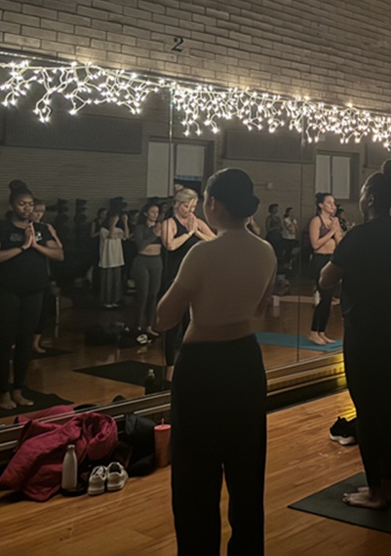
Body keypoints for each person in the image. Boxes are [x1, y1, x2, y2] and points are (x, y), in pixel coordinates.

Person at [156, 168, 276, 553]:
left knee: (195, 479)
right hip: (245, 362)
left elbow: (164, 318)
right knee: (246, 475)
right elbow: (258, 309)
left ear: (212, 204)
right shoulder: (266, 250)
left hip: (202, 368)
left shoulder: (202, 253)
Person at [320, 160, 391, 509]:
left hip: (366, 325)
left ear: (370, 198)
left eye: (361, 193)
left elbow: (326, 279)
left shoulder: (358, 236)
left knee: (368, 407)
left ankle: (377, 489)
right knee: (384, 403)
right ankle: (383, 485)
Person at [0, 180, 63, 410]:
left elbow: (58, 255)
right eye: (22, 204)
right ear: (12, 205)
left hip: (34, 290)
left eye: (30, 204)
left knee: (25, 340)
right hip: (6, 291)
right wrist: (21, 248)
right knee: (5, 339)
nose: (27, 208)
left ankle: (18, 389)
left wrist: (35, 245)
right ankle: (2, 392)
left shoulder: (40, 229)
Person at [161, 188, 216, 383]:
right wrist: (189, 233)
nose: (190, 210)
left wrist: (197, 233)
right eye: (186, 206)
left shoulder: (197, 222)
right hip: (174, 279)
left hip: (195, 279)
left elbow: (215, 240)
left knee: (190, 323)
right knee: (172, 325)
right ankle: (170, 367)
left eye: (193, 207)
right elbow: (170, 245)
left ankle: (188, 363)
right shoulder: (169, 223)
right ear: (177, 205)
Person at [308, 192, 344, 345]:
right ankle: (313, 331)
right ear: (321, 205)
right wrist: (330, 232)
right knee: (324, 297)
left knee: (329, 299)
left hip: (331, 259)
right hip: (319, 259)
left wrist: (336, 229)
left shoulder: (334, 221)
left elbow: (340, 242)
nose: (332, 206)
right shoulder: (316, 221)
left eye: (333, 203)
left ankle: (321, 331)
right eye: (329, 203)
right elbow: (315, 244)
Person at [28, 199, 63, 354]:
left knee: (42, 310)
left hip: (42, 273)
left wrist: (54, 234)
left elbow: (59, 249)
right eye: (36, 211)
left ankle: (35, 342)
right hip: (25, 272)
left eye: (42, 212)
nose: (39, 215)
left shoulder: (44, 228)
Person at [132, 202, 163, 337]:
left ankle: (149, 325)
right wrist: (154, 234)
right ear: (146, 213)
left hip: (156, 260)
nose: (155, 215)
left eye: (157, 212)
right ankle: (138, 324)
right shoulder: (140, 228)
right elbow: (140, 245)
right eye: (152, 212)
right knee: (142, 294)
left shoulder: (161, 227)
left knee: (153, 294)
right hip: (142, 261)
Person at [98, 210, 130, 309]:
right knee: (107, 281)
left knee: (116, 281)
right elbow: (110, 235)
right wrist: (113, 223)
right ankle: (106, 301)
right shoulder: (103, 230)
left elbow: (126, 236)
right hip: (107, 259)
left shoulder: (118, 229)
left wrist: (125, 222)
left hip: (117, 259)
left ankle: (115, 300)